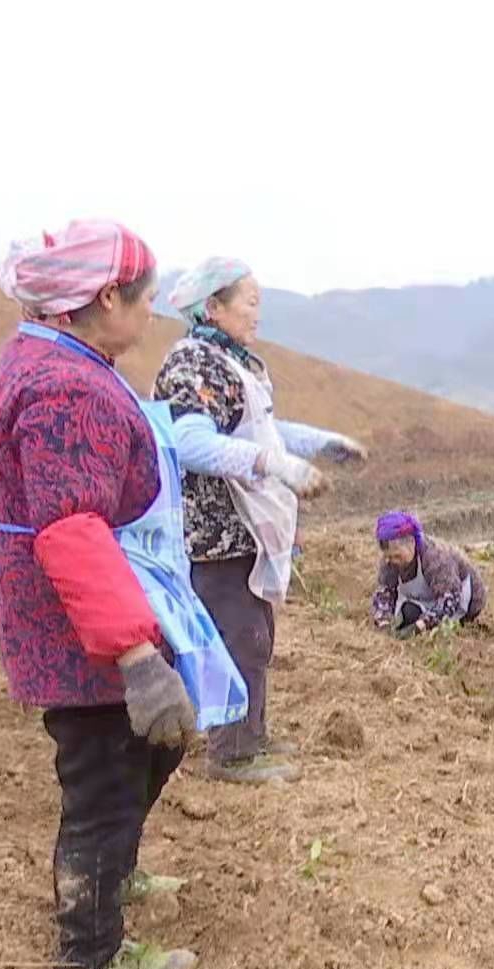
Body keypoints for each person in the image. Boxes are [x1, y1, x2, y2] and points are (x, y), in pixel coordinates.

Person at [0, 220, 248, 969]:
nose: (154, 311)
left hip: (98, 609)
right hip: (85, 630)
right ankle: (91, 950)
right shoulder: (65, 388)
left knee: (150, 751)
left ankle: (115, 875)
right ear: (104, 299)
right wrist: (133, 654)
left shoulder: (57, 356)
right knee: (101, 781)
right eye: (147, 298)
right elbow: (71, 530)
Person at [155, 257, 368, 785]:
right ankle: (231, 753)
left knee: (257, 633)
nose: (257, 315)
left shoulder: (235, 363)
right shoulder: (192, 364)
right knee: (239, 636)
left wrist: (319, 444)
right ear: (213, 307)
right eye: (249, 302)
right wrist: (275, 466)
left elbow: (262, 430)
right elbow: (190, 443)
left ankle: (251, 733)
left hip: (249, 529)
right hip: (217, 532)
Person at [371, 511, 486, 636]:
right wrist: (383, 622)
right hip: (427, 599)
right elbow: (384, 593)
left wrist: (420, 625)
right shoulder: (389, 562)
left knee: (433, 628)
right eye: (389, 557)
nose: (393, 561)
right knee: (407, 614)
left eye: (397, 556)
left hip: (463, 602)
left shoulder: (435, 556)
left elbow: (449, 599)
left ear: (411, 543)